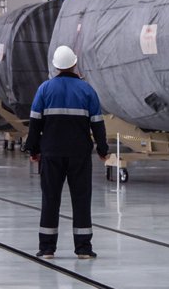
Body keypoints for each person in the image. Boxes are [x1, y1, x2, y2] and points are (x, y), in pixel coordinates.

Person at [24, 45, 109, 260]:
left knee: (50, 199)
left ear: (55, 66)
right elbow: (98, 124)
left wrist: (33, 149)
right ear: (74, 64)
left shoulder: (44, 89)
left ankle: (47, 248)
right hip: (79, 154)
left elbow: (34, 124)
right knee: (81, 199)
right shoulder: (87, 90)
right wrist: (103, 149)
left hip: (51, 153)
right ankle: (83, 249)